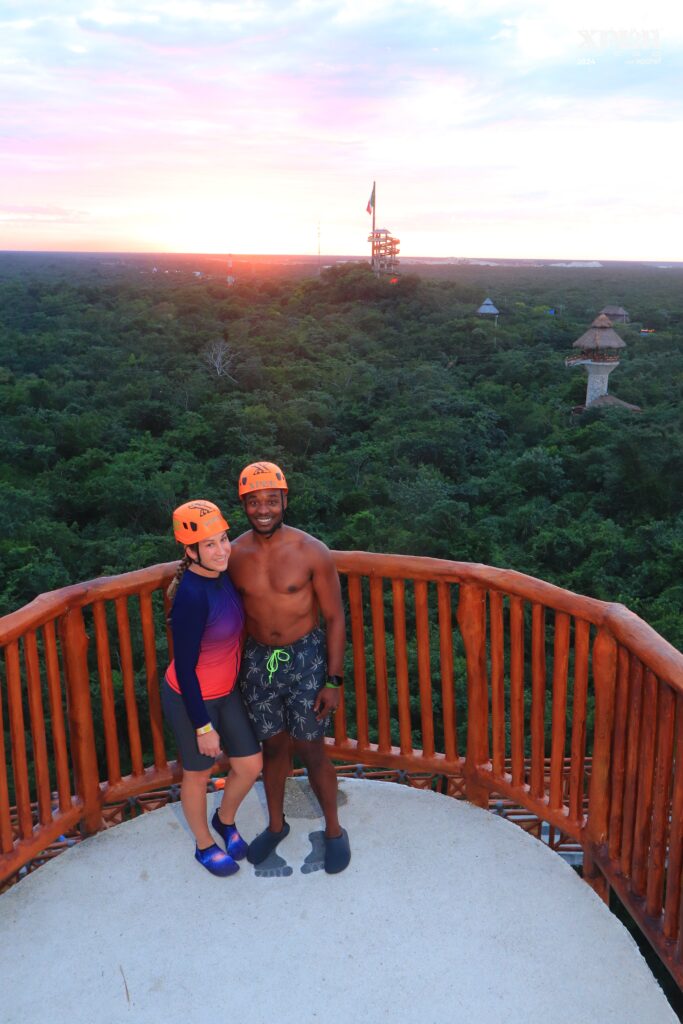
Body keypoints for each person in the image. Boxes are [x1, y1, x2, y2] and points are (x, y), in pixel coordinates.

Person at [229, 461, 351, 874]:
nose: (263, 509)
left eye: (271, 500)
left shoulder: (311, 551)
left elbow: (335, 617)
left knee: (313, 749)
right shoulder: (233, 555)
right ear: (243, 504)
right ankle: (277, 825)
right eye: (254, 501)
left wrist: (333, 679)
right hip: (258, 660)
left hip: (306, 658)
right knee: (273, 748)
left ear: (285, 501)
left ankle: (334, 830)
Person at [163, 499, 262, 876]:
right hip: (191, 698)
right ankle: (204, 844)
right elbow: (186, 669)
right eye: (210, 545)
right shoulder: (191, 596)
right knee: (198, 773)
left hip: (225, 690)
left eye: (223, 539)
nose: (222, 550)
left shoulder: (220, 575)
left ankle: (225, 818)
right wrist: (203, 726)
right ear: (190, 551)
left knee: (250, 764)